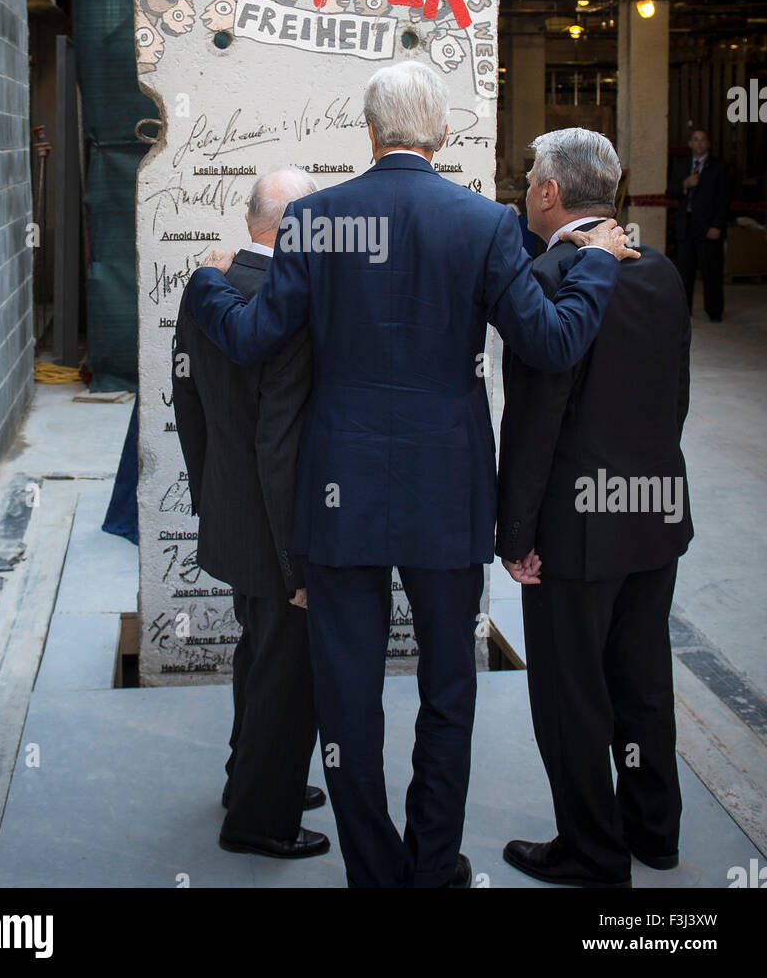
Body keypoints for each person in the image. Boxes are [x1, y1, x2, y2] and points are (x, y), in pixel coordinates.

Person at [184, 62, 637, 889]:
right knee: (447, 692)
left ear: (369, 132)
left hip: (338, 492)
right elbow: (551, 343)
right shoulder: (486, 224)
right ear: (442, 137)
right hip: (447, 492)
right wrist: (598, 261)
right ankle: (431, 867)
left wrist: (208, 283)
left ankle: (375, 874)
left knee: (348, 698)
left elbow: (251, 339)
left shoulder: (315, 219)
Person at [496, 127, 693, 888]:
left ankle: (591, 850)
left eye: (526, 180)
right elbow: (671, 401)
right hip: (653, 515)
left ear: (548, 194)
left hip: (574, 532)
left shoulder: (546, 278)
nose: (522, 191)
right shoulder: (663, 273)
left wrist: (514, 533)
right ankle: (655, 832)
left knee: (573, 695)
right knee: (641, 681)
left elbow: (533, 420)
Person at [172, 167, 329, 862]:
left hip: (236, 509)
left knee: (258, 655)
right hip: (280, 521)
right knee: (284, 673)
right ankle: (260, 822)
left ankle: (255, 781)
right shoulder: (294, 306)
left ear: (250, 220)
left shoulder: (211, 286)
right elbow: (281, 442)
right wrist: (296, 558)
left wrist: (213, 499)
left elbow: (190, 408)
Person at [666, 126, 731, 322]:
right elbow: (670, 192)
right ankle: (685, 311)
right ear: (690, 144)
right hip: (686, 227)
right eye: (695, 139)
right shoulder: (682, 167)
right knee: (684, 272)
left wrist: (717, 226)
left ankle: (714, 312)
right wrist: (684, 185)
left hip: (709, 227)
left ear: (708, 144)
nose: (699, 143)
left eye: (703, 139)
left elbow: (724, 200)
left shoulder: (719, 167)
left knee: (711, 272)